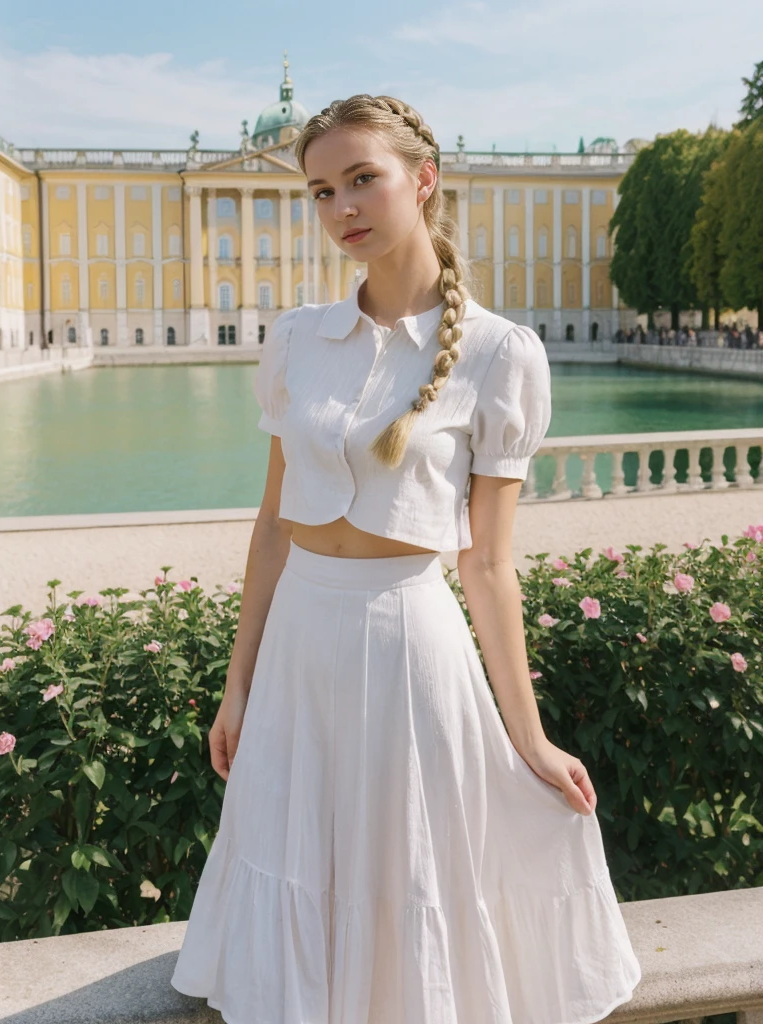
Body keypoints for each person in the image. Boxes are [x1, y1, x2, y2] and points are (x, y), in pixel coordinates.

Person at [170, 93, 642, 1023]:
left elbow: (489, 567)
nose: (341, 208)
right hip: (301, 641)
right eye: (319, 191)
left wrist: (532, 737)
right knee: (299, 867)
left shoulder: (503, 354)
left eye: (361, 179)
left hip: (408, 641)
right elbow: (271, 528)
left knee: (409, 873)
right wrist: (238, 687)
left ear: (422, 180)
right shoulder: (297, 338)